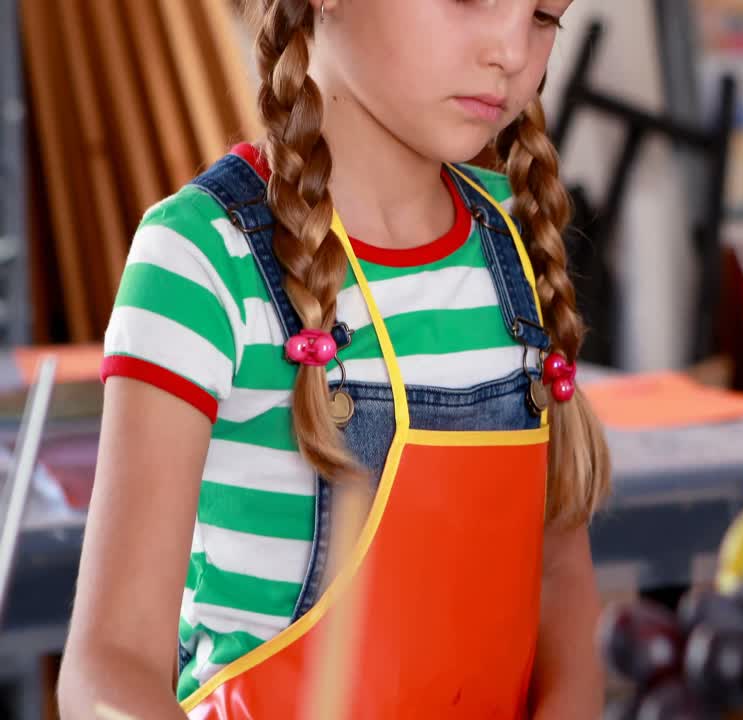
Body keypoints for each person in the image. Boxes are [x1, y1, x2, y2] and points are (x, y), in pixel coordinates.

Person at [57, 1, 610, 717]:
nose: (511, 50)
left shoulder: (518, 244)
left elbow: (560, 579)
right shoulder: (203, 260)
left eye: (543, 15)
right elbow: (107, 668)